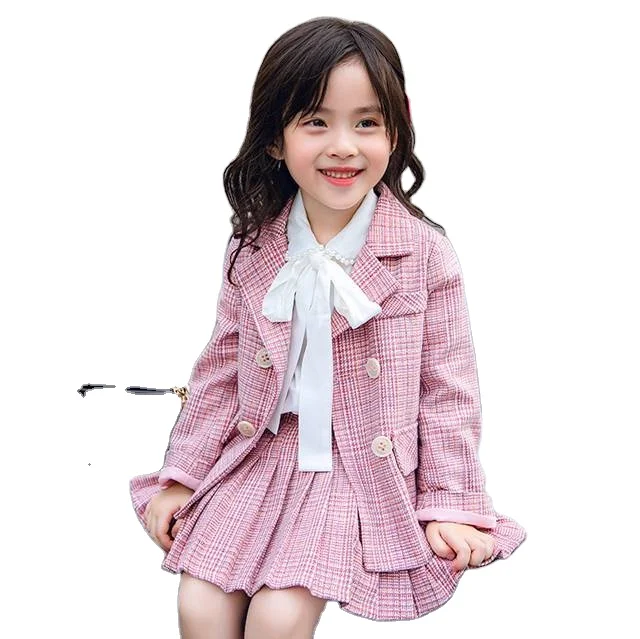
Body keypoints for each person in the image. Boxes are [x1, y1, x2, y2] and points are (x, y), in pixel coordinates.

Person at [129, 16, 527, 636]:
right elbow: (219, 373)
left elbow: (448, 392)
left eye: (366, 123)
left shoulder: (423, 254)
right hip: (260, 458)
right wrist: (182, 476)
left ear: (397, 131)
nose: (344, 145)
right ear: (274, 138)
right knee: (199, 605)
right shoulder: (253, 249)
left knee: (280, 615)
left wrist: (450, 504)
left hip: (355, 466)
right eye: (316, 122)